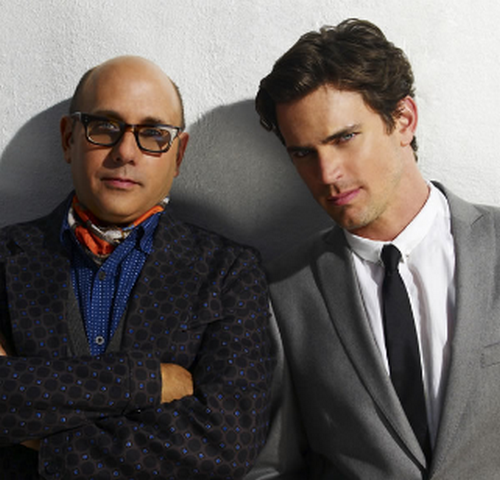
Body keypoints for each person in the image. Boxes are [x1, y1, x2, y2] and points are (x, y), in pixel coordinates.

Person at [0, 55, 274, 480]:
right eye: (104, 126)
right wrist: (146, 381)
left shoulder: (229, 271)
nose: (125, 152)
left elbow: (227, 443)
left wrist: (44, 444)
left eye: (153, 134)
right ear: (69, 138)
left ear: (178, 154)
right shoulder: (4, 258)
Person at [249, 18, 500, 479]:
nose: (327, 174)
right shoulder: (282, 293)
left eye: (343, 138)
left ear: (403, 120)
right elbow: (271, 468)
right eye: (303, 153)